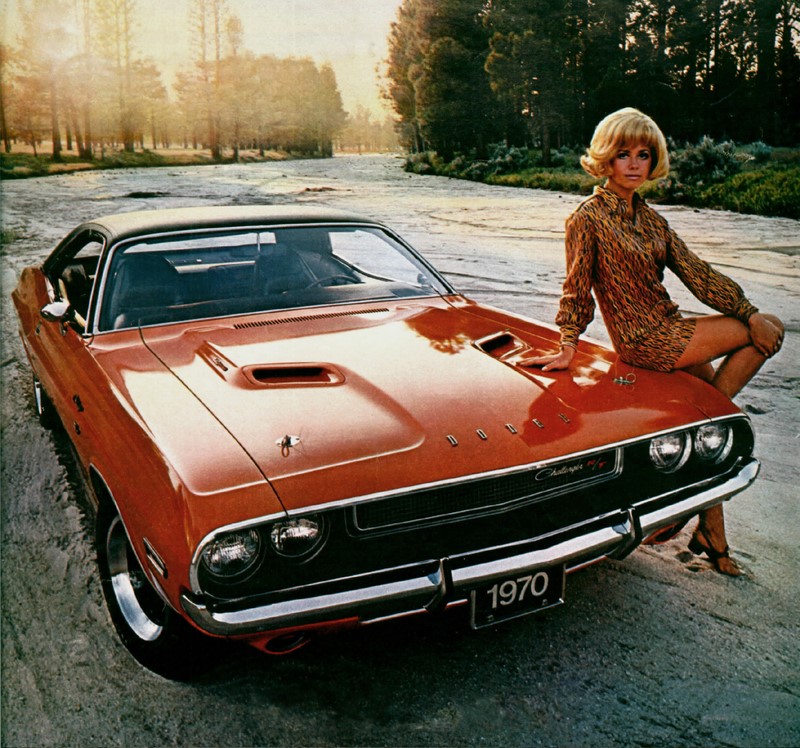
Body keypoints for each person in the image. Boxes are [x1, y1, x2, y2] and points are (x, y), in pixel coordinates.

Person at [520, 107, 784, 576]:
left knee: (711, 409)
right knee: (761, 333)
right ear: (606, 157)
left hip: (671, 325)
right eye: (624, 154)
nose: (634, 164)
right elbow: (576, 287)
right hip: (644, 340)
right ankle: (704, 456)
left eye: (644, 154)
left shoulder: (652, 219)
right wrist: (567, 344)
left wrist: (743, 305)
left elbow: (697, 273)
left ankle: (713, 533)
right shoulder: (586, 218)